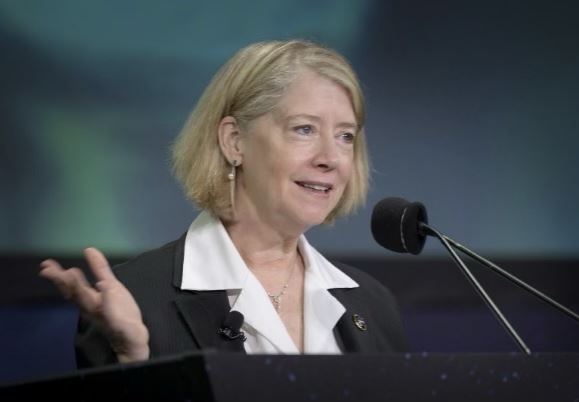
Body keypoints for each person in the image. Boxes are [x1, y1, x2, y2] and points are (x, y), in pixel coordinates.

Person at [39, 39, 408, 368]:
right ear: (234, 141)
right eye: (304, 129)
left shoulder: (373, 303)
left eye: (345, 136)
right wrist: (132, 360)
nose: (330, 158)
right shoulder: (137, 297)